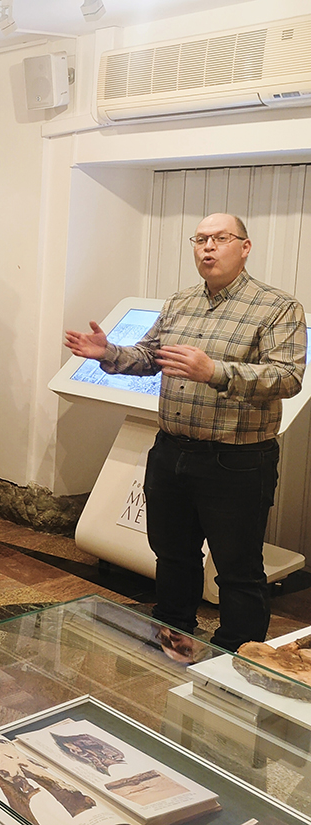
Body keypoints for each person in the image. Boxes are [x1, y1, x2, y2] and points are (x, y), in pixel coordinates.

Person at [65, 213, 306, 652]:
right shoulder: (180, 302)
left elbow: (288, 378)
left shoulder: (277, 307)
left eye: (220, 238)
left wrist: (215, 372)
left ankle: (237, 655)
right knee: (172, 555)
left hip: (236, 461)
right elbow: (149, 357)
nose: (208, 247)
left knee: (237, 569)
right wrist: (109, 352)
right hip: (171, 451)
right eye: (200, 239)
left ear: (245, 247)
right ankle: (173, 638)